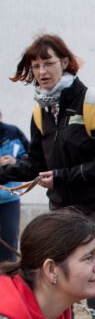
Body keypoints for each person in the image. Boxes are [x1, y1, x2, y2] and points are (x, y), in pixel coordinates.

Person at [0, 34, 95, 315]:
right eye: (35, 66)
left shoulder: (93, 103)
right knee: (56, 284)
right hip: (62, 210)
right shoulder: (40, 111)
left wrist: (61, 176)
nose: (41, 72)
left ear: (65, 63)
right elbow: (33, 164)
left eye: (48, 63)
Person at [0, 109, 29, 262]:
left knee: (8, 247)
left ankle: (6, 283)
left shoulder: (13, 133)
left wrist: (14, 162)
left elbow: (32, 158)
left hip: (9, 200)